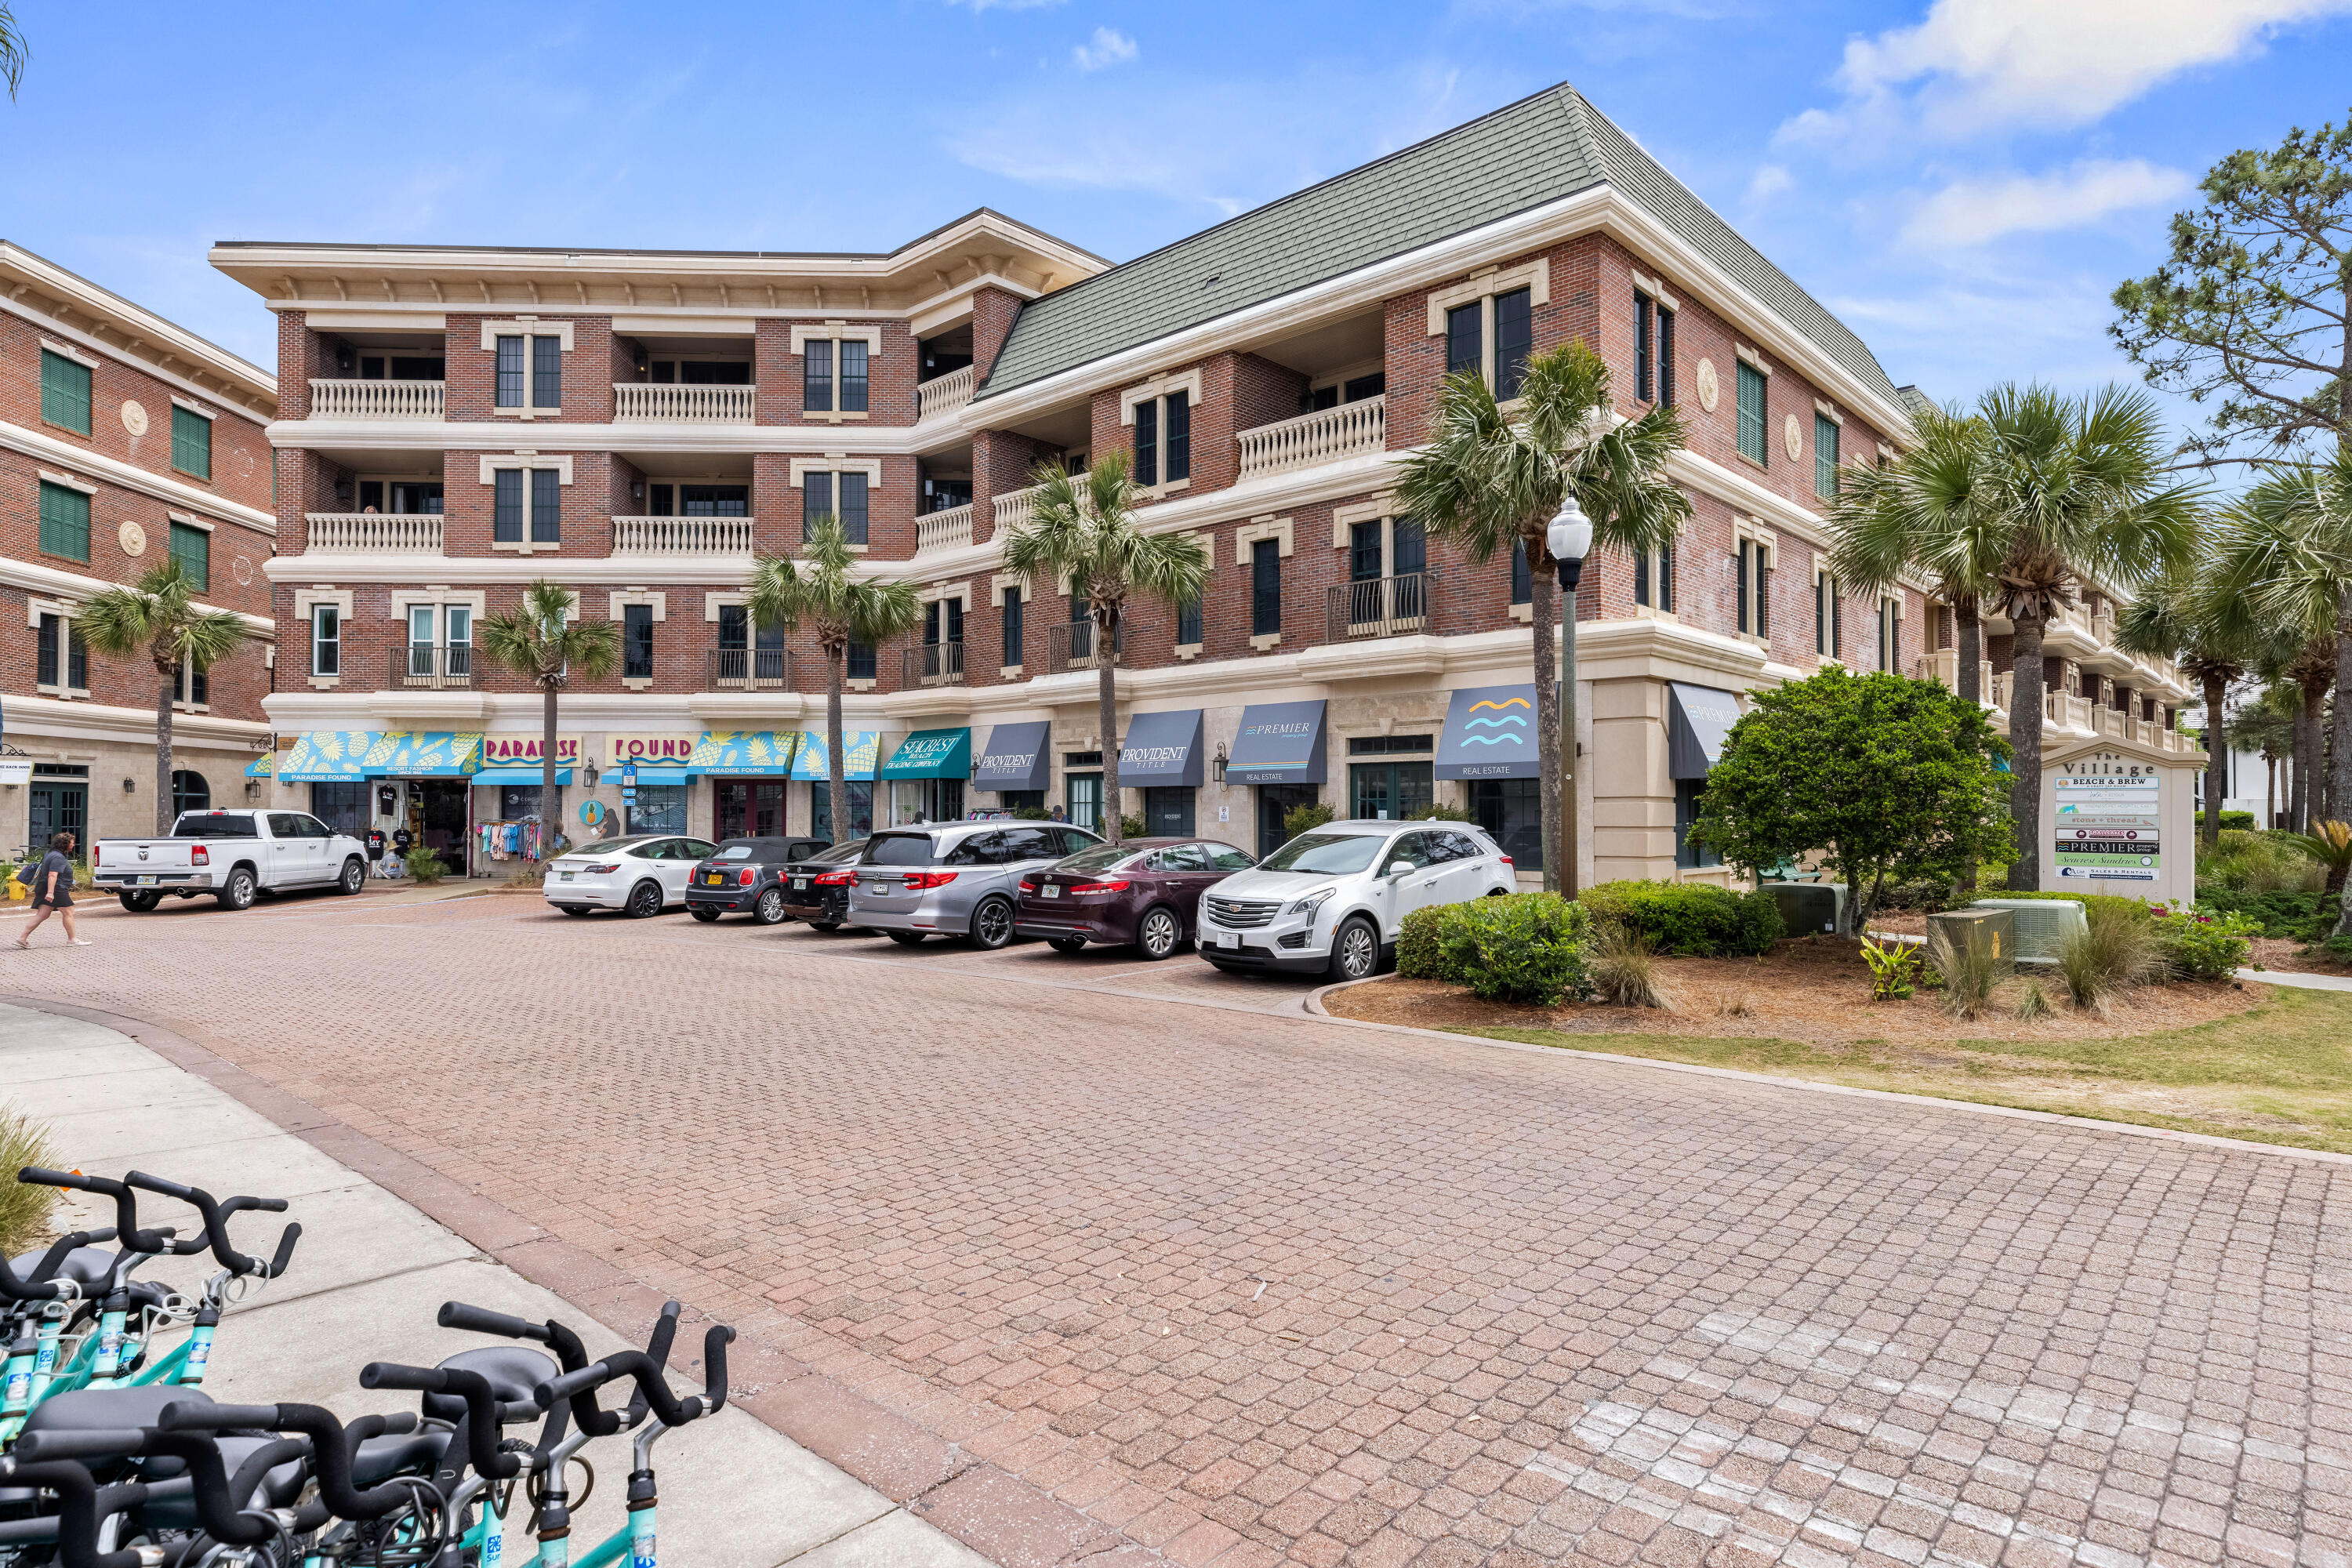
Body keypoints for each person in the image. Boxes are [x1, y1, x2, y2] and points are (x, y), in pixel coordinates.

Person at [19, 831, 88, 948]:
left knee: (43, 914)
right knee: (69, 912)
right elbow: (52, 875)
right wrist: (51, 893)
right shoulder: (58, 857)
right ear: (64, 844)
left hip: (44, 887)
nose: (73, 845)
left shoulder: (50, 853)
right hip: (56, 889)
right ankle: (72, 940)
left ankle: (22, 939)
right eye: (72, 842)